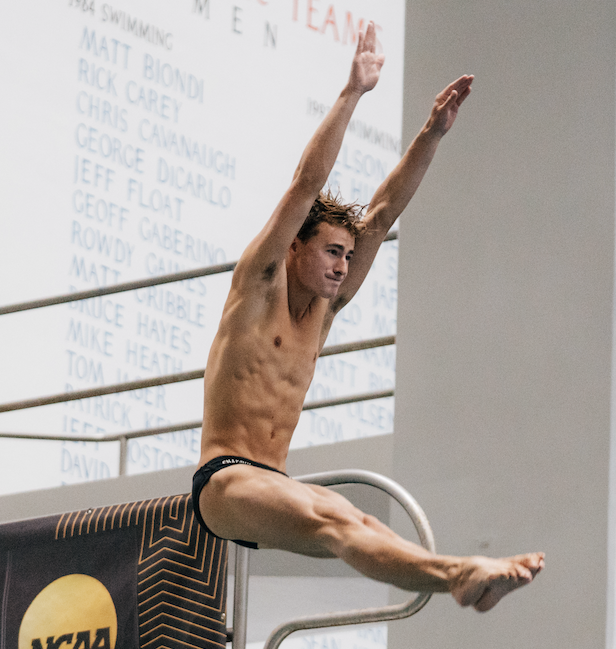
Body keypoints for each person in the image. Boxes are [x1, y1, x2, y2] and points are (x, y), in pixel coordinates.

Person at [191, 22, 543, 612]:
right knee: (336, 516)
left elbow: (379, 217)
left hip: (269, 484)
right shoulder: (257, 284)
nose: (342, 266)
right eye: (332, 251)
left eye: (348, 258)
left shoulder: (323, 315)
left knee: (355, 522)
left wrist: (431, 135)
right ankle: (460, 572)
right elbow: (307, 184)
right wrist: (352, 94)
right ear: (295, 248)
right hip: (224, 480)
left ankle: (464, 580)